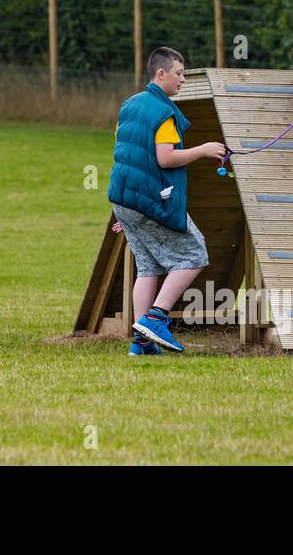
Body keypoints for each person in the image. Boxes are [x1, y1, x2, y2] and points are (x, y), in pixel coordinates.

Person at [107, 46, 226, 356]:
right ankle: (156, 320)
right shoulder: (165, 113)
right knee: (195, 252)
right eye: (179, 73)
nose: (183, 80)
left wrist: (127, 208)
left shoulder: (130, 105)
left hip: (124, 199)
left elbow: (125, 155)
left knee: (147, 267)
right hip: (150, 201)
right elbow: (165, 158)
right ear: (161, 74)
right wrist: (204, 150)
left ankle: (141, 343)